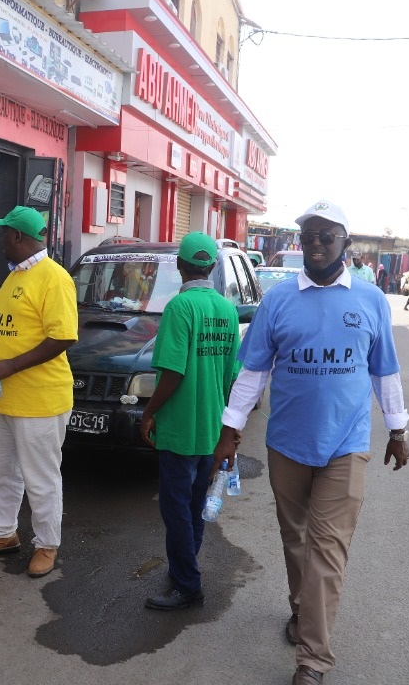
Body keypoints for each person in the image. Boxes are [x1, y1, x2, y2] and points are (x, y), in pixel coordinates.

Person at [213, 200, 409, 685]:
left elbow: (384, 370)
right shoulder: (278, 301)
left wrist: (398, 428)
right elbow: (253, 371)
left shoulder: (370, 300)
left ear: (346, 243)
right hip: (287, 445)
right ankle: (301, 609)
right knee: (295, 537)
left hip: (346, 445)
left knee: (327, 550)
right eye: (309, 236)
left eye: (327, 236)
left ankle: (313, 660)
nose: (317, 244)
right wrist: (229, 430)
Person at [0, 206, 77, 578]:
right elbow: (8, 324)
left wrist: (9, 366)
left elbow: (62, 337)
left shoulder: (54, 278)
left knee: (41, 479)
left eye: (4, 233)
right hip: (6, 398)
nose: (1, 241)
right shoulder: (15, 275)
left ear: (18, 236)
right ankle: (2, 534)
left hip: (41, 400)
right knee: (3, 470)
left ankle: (47, 545)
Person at [138, 233, 239, 611]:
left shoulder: (180, 307)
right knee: (194, 505)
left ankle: (187, 584)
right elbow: (232, 377)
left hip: (180, 429)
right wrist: (230, 427)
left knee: (176, 508)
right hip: (212, 427)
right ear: (212, 267)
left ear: (179, 266)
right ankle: (186, 567)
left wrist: (149, 412)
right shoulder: (227, 310)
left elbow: (173, 373)